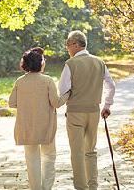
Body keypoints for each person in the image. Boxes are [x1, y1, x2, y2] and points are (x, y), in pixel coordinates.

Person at [58, 30, 116, 190]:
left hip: (75, 113)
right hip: (94, 112)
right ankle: (93, 187)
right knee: (90, 151)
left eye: (68, 45)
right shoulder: (99, 62)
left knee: (77, 153)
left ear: (76, 44)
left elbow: (63, 90)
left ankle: (81, 188)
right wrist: (107, 106)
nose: (67, 49)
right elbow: (111, 86)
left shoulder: (70, 64)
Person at [9, 47, 65, 190]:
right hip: (46, 126)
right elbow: (56, 103)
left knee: (32, 159)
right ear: (40, 63)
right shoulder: (48, 81)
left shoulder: (20, 81)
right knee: (49, 156)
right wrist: (68, 94)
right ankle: (46, 187)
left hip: (27, 126)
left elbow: (12, 103)